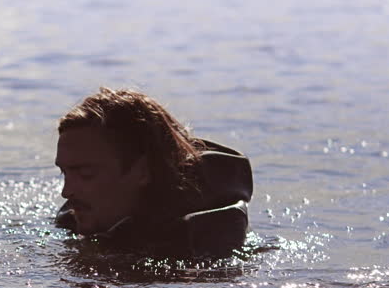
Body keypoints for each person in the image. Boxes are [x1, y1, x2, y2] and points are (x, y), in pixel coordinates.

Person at [54, 88, 253, 258]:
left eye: (86, 173)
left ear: (142, 172)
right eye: (65, 173)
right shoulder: (83, 219)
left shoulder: (195, 249)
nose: (67, 192)